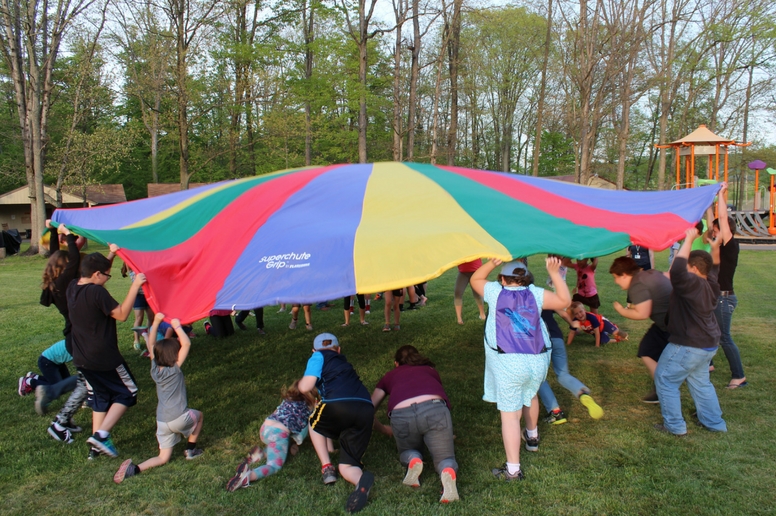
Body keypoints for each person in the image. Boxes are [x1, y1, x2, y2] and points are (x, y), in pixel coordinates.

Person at [471, 257, 571, 481]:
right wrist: (555, 273)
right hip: (536, 361)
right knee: (530, 394)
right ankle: (532, 438)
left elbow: (475, 278)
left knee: (509, 416)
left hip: (508, 362)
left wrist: (493, 262)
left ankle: (513, 470)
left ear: (503, 279)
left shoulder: (495, 292)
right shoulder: (535, 293)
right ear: (526, 279)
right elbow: (564, 300)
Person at [68, 251, 145, 458]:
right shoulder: (96, 293)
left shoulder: (73, 287)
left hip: (81, 358)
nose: (107, 280)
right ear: (96, 274)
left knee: (100, 397)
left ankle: (95, 449)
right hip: (103, 357)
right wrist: (135, 285)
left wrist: (111, 253)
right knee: (128, 392)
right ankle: (101, 435)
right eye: (106, 276)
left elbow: (96, 272)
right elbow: (121, 315)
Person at [113, 313, 203, 482]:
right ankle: (191, 450)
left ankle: (135, 468)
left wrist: (155, 322)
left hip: (162, 422)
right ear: (174, 356)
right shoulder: (174, 369)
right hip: (179, 417)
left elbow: (152, 344)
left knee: (163, 458)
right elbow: (187, 343)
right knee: (199, 416)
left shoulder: (154, 369)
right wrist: (177, 326)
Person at [653, 228, 726, 435]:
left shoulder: (691, 282)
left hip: (688, 344)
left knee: (665, 379)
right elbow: (715, 266)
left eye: (687, 266)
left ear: (693, 268)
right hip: (708, 343)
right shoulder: (711, 282)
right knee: (701, 383)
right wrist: (715, 246)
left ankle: (674, 427)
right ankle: (714, 423)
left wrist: (688, 239)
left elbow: (676, 271)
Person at [371, 345, 459, 503]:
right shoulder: (430, 370)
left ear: (396, 363)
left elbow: (370, 407)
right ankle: (446, 470)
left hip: (401, 415)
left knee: (407, 450)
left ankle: (413, 459)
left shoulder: (389, 375)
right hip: (434, 410)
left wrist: (383, 428)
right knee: (445, 457)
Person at [298, 333, 375, 513]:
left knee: (315, 422)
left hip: (337, 404)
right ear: (338, 349)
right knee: (347, 465)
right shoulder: (343, 361)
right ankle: (360, 482)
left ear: (313, 350)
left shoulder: (318, 356)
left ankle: (326, 467)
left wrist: (303, 382)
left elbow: (305, 387)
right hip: (365, 408)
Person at [226, 380, 316, 491]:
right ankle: (248, 476)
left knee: (279, 444)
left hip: (265, 429)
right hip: (279, 434)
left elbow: (276, 413)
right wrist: (298, 443)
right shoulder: (309, 408)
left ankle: (262, 453)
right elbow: (303, 431)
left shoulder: (287, 401)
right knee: (274, 466)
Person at [610, 256, 673, 403]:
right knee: (647, 348)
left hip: (674, 326)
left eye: (616, 277)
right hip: (671, 322)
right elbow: (668, 277)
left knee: (648, 350)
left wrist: (621, 310)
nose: (615, 281)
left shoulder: (636, 284)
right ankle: (661, 388)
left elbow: (642, 313)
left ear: (624, 275)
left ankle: (663, 389)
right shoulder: (649, 273)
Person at [537, 310, 603, 424]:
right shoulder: (545, 297)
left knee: (539, 378)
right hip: (557, 337)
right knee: (563, 374)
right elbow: (562, 313)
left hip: (540, 340)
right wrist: (572, 324)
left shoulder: (521, 298)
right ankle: (582, 393)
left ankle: (555, 412)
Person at [711, 183, 746, 389]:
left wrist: (721, 196)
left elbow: (723, 219)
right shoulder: (720, 247)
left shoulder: (730, 244)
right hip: (717, 296)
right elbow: (714, 221)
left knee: (724, 337)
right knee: (710, 332)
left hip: (724, 299)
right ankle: (708, 363)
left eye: (717, 231)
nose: (715, 234)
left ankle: (739, 376)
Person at [25, 340, 79, 415]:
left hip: (57, 363)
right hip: (47, 362)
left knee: (66, 381)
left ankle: (35, 377)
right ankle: (29, 382)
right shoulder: (81, 346)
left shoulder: (79, 339)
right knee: (58, 386)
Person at [121, 263, 154, 350]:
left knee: (151, 318)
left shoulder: (145, 268)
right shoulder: (131, 270)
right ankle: (136, 340)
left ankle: (150, 338)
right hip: (138, 296)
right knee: (139, 318)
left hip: (149, 295)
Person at [454, 259, 486, 325]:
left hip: (476, 271)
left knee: (477, 293)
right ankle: (459, 318)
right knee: (458, 292)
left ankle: (482, 314)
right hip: (463, 272)